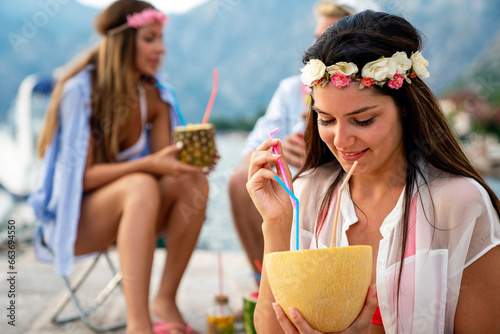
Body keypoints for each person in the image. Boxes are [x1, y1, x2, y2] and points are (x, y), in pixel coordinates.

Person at [247, 10, 500, 334]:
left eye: (363, 120)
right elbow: (271, 329)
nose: (341, 140)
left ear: (405, 109)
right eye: (325, 119)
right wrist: (277, 223)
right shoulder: (307, 192)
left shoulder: (458, 204)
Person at [29, 1, 215, 333]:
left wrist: (191, 165)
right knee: (140, 184)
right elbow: (78, 179)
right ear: (124, 41)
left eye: (160, 38)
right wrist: (148, 165)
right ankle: (138, 325)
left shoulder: (153, 95)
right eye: (150, 38)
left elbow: (163, 167)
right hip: (75, 222)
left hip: (134, 213)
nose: (161, 48)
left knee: (193, 185)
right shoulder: (82, 92)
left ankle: (165, 300)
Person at [229, 0, 354, 276]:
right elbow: (252, 148)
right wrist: (279, 148)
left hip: (345, 173)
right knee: (240, 180)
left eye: (330, 36)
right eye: (317, 37)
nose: (319, 46)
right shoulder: (290, 90)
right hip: (292, 176)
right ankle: (263, 277)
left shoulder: (363, 88)